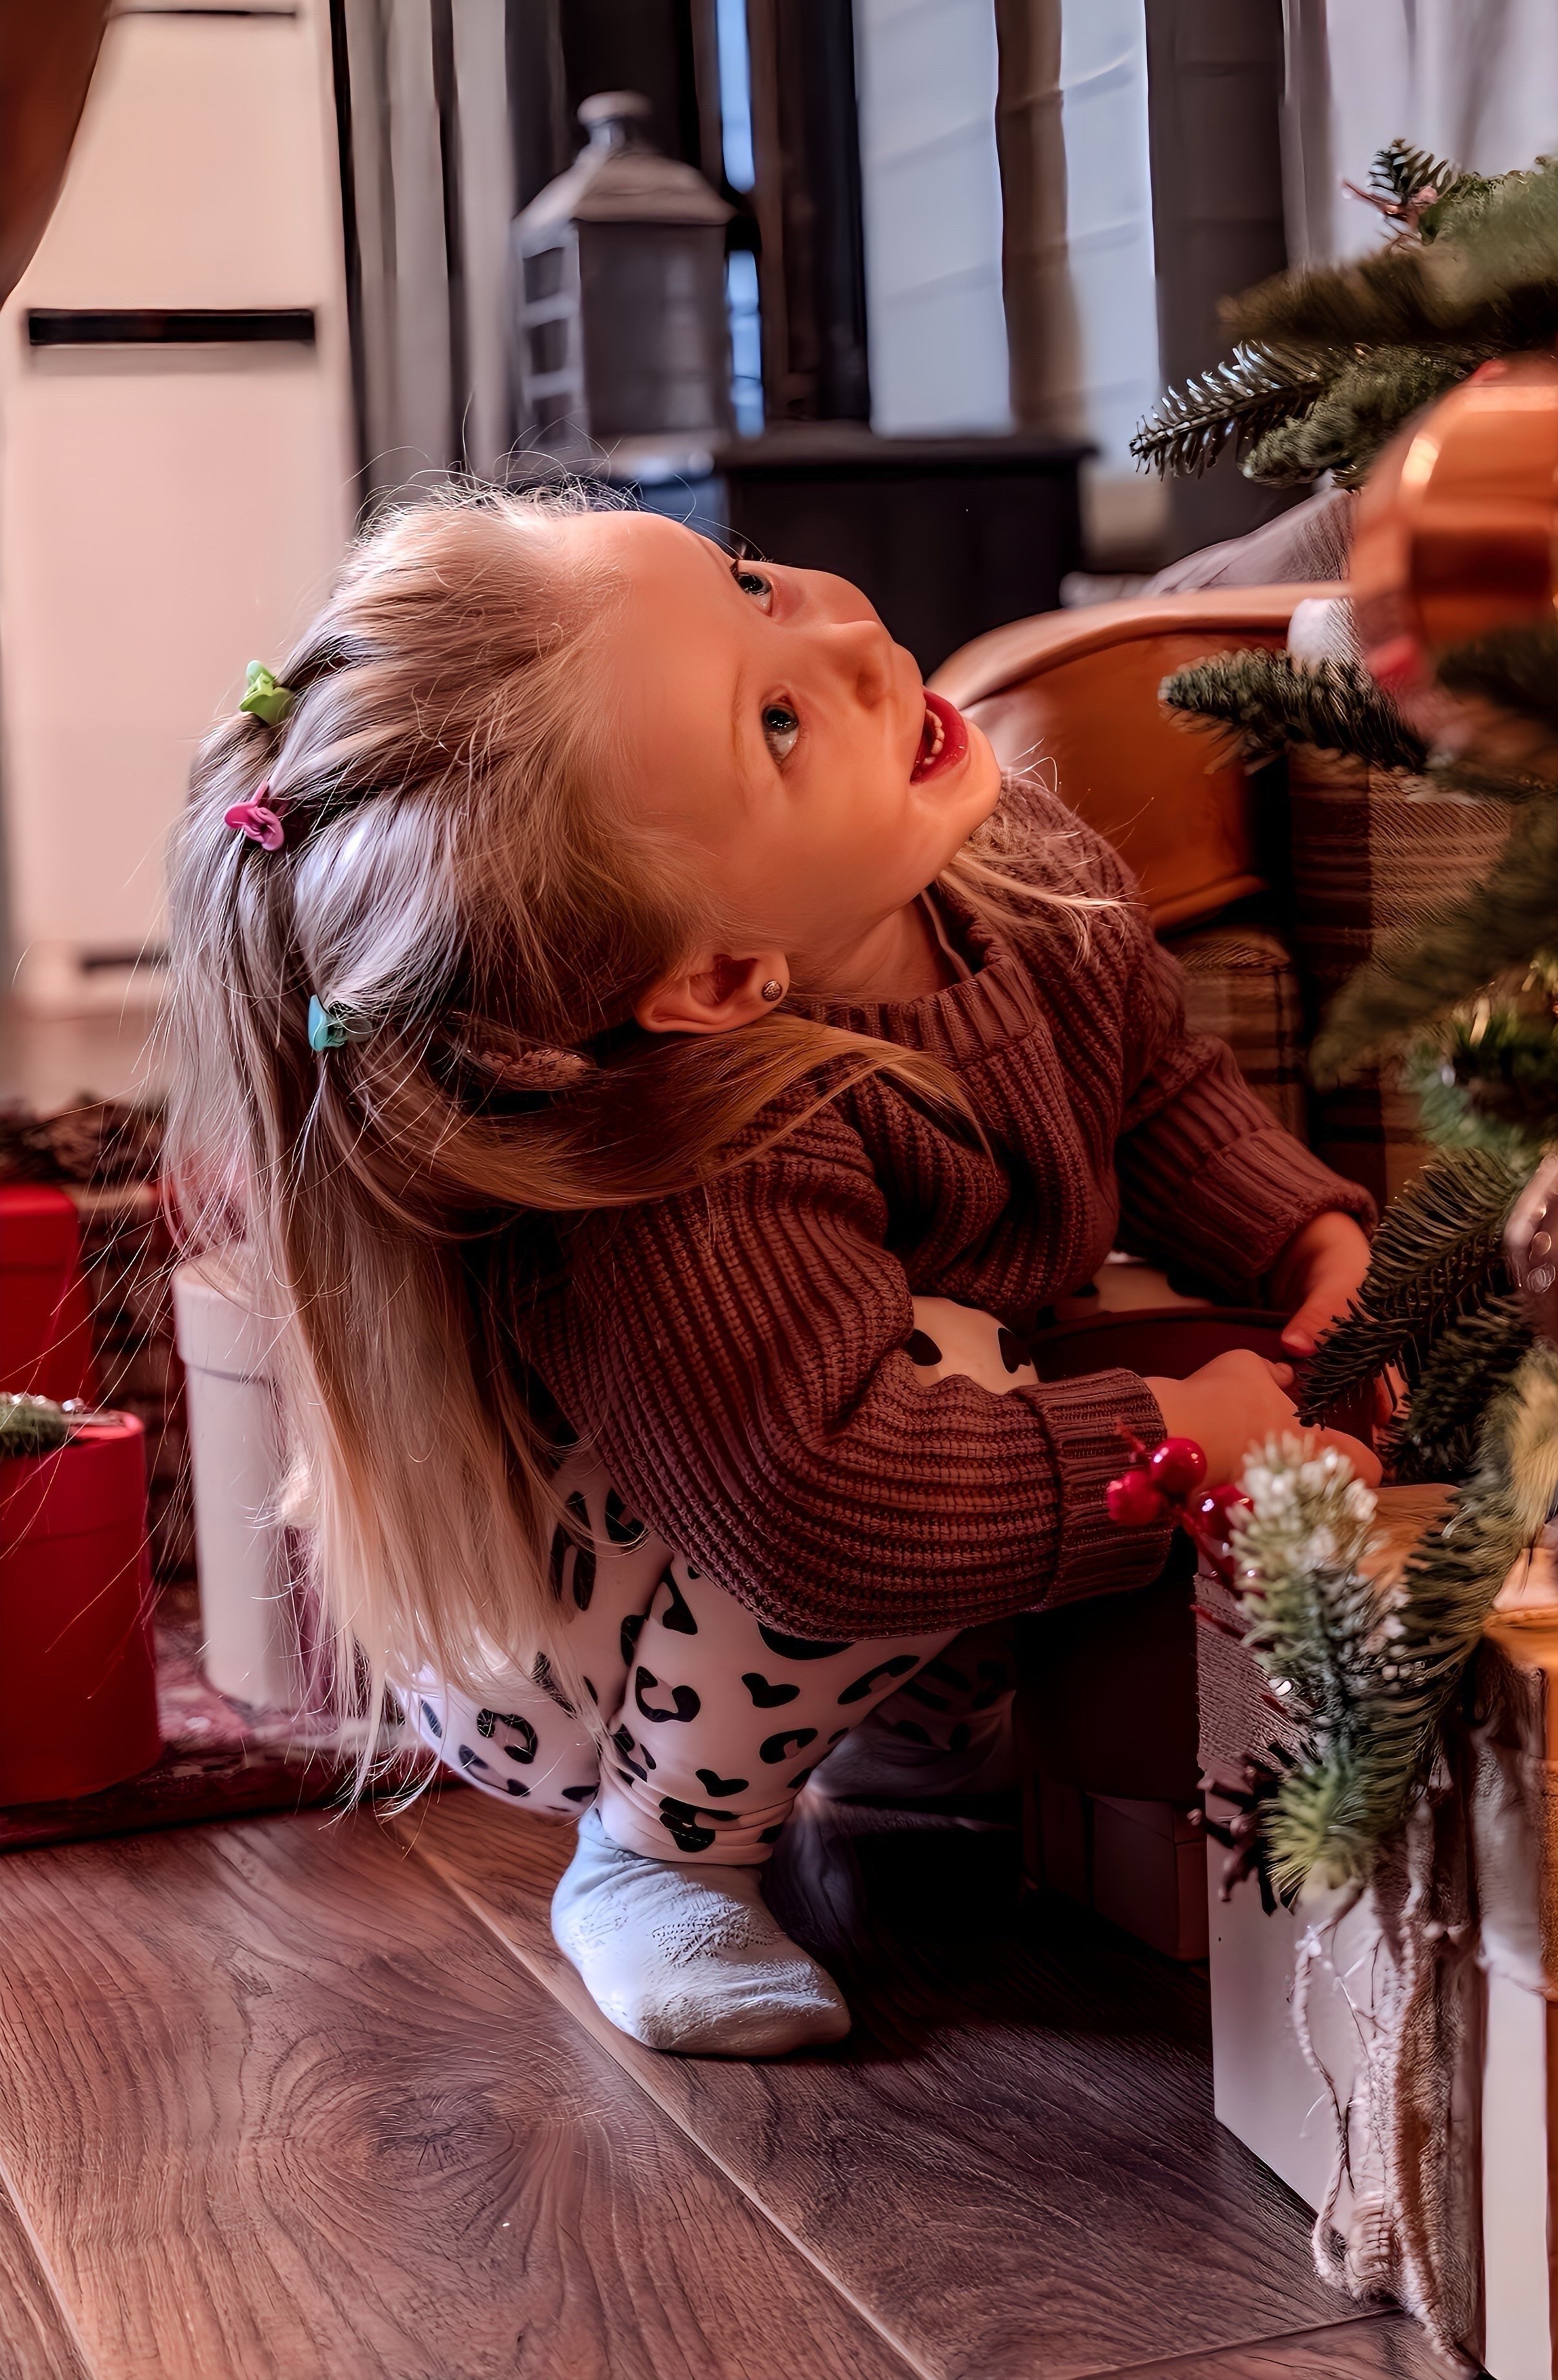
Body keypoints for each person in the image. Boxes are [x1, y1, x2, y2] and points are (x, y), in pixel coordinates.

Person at [167, 485, 1378, 2059]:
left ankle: (916, 1751)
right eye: (783, 723)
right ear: (722, 977)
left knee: (1017, 1367)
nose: (853, 637)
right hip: (590, 1642)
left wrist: (1315, 1240)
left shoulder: (1009, 861)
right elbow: (822, 1503)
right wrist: (1168, 1432)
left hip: (837, 1549)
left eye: (744, 582)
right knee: (949, 1374)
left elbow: (1151, 1090)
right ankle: (656, 1859)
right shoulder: (716, 1147)